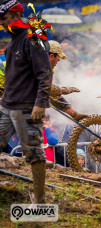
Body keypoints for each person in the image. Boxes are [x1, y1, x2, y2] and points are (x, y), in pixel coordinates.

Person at [0, 0, 53, 204]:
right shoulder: (13, 40)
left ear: (15, 15)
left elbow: (45, 73)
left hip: (27, 109)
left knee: (34, 154)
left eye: (4, 19)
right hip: (6, 105)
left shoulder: (32, 37)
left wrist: (40, 103)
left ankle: (39, 201)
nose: (2, 23)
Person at [47, 40, 88, 121]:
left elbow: (51, 95)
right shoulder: (38, 67)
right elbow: (48, 88)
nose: (57, 62)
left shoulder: (43, 66)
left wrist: (73, 113)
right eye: (58, 59)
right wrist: (65, 90)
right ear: (51, 57)